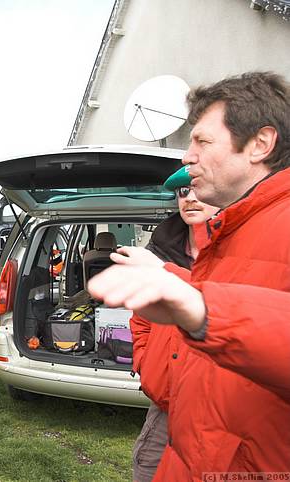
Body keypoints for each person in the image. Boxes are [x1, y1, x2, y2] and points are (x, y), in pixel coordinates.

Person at [88, 72, 290, 479]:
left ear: (260, 145)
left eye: (202, 141)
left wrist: (200, 307)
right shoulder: (231, 229)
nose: (186, 156)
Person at [129, 166, 218, 482]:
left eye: (196, 189)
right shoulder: (158, 250)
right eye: (182, 192)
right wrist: (145, 360)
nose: (190, 198)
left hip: (220, 403)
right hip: (168, 399)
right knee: (147, 469)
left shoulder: (235, 249)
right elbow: (141, 318)